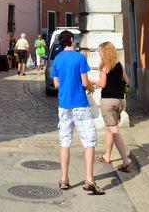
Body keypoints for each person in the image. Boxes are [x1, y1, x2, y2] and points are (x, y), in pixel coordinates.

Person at [51, 30, 105, 195]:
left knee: (65, 141)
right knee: (89, 141)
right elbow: (84, 82)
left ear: (61, 42)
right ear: (72, 40)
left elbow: (56, 85)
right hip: (80, 104)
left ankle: (64, 179)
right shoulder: (80, 57)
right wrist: (90, 87)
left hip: (64, 105)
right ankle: (89, 179)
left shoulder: (57, 59)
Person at [92, 41, 131, 172]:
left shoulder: (105, 67)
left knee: (114, 130)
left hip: (108, 101)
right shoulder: (119, 64)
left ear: (105, 52)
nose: (99, 54)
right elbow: (127, 81)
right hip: (120, 100)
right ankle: (107, 155)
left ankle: (125, 160)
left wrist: (90, 81)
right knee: (109, 128)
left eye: (100, 51)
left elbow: (102, 84)